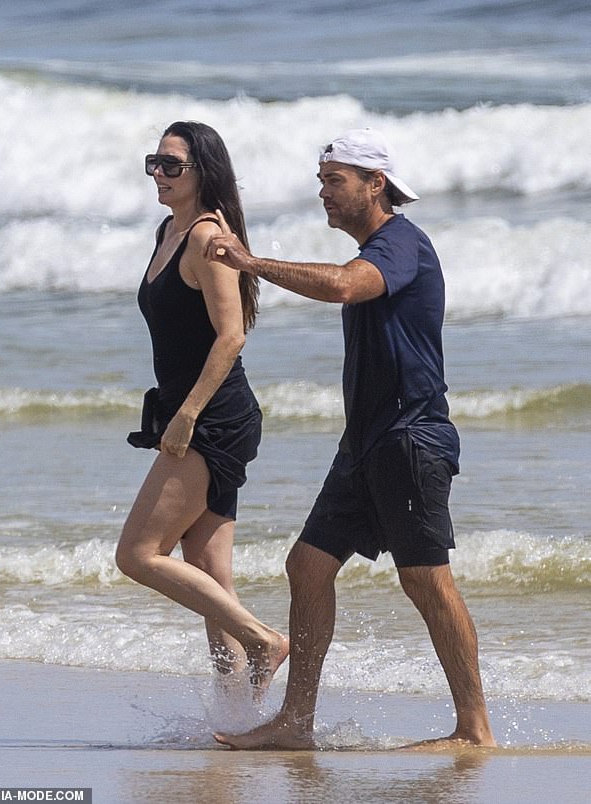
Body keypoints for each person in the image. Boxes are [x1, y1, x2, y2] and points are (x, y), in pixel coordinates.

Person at [205, 128, 496, 748]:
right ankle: (295, 723)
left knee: (425, 578)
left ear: (376, 184)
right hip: (366, 442)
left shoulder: (400, 244)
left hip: (411, 437)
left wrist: (251, 262)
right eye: (321, 182)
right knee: (307, 566)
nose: (324, 194)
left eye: (334, 181)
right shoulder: (379, 247)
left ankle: (474, 729)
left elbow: (342, 284)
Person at [116, 121, 288, 691]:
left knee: (138, 555)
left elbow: (232, 335)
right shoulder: (169, 229)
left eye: (172, 165)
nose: (159, 175)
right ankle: (238, 707)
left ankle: (265, 640)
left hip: (212, 418)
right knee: (211, 572)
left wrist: (187, 414)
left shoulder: (206, 238)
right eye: (154, 163)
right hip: (192, 412)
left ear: (203, 172)